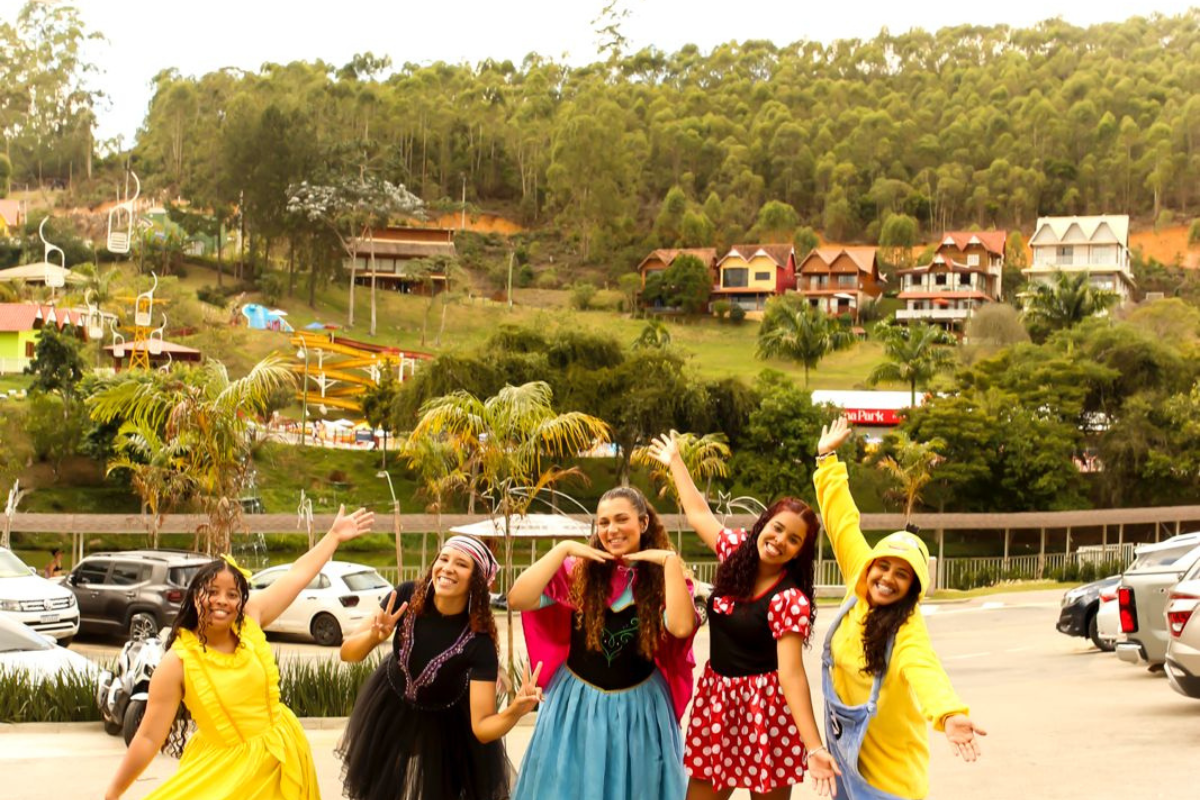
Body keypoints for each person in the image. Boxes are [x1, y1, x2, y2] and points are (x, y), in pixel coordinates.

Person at [103, 505, 376, 800]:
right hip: (230, 774)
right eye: (212, 591)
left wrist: (333, 537)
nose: (222, 601)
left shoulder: (251, 620)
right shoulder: (178, 663)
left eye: (232, 594)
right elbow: (147, 737)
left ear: (241, 600)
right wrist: (113, 794)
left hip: (284, 755)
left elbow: (296, 576)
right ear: (196, 597)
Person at [648, 432, 839, 800]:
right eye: (778, 528)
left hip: (765, 710)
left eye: (794, 539)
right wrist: (676, 461)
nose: (781, 540)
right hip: (718, 701)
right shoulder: (736, 552)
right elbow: (700, 513)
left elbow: (792, 673)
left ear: (800, 552)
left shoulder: (789, 600)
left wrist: (814, 748)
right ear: (763, 524)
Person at [814, 417, 985, 800]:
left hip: (892, 778)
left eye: (903, 575)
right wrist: (827, 460)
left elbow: (923, 667)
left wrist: (949, 713)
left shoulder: (905, 626)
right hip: (848, 759)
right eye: (884, 565)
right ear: (872, 565)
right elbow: (843, 522)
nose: (888, 578)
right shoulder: (860, 576)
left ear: (913, 588)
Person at [507, 486, 698, 800]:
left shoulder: (666, 578)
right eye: (603, 522)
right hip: (576, 706)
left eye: (621, 519)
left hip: (639, 710)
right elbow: (517, 598)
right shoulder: (579, 573)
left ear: (644, 523)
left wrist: (670, 563)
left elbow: (679, 627)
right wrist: (564, 549)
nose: (612, 530)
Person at [337, 535, 541, 800]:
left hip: (446, 726)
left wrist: (515, 711)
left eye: (461, 564)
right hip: (389, 708)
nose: (447, 568)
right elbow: (348, 653)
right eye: (443, 559)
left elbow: (482, 728)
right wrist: (374, 637)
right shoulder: (405, 596)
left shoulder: (480, 643)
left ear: (476, 581)